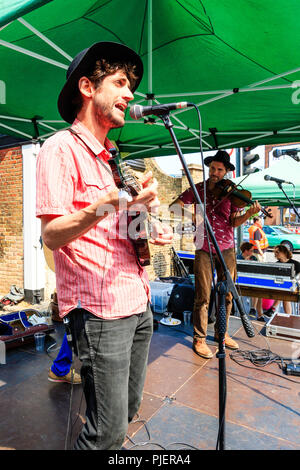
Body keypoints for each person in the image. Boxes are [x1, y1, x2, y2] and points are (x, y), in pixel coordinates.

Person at [36, 41, 173, 450]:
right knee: (105, 433)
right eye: (119, 82)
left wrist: (145, 221)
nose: (130, 93)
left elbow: (119, 226)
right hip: (99, 311)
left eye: (131, 84)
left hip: (137, 299)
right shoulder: (61, 148)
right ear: (87, 87)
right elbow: (51, 234)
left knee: (128, 410)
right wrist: (101, 206)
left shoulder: (112, 157)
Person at [178, 151, 261, 359]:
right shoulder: (198, 189)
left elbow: (233, 221)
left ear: (226, 172)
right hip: (203, 244)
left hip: (226, 246)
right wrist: (192, 218)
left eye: (219, 170)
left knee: (227, 293)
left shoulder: (232, 193)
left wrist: (249, 214)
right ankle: (199, 338)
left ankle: (221, 334)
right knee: (203, 294)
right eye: (212, 168)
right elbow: (177, 204)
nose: (215, 173)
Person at [265, 245, 300, 316]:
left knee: (285, 295)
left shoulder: (295, 263)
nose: (275, 254)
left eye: (277, 252)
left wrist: (296, 280)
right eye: (275, 252)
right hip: (281, 288)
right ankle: (288, 318)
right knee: (284, 295)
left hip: (293, 287)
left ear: (284, 252)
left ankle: (273, 308)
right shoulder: (277, 264)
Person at [237, 242, 265, 322]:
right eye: (251, 250)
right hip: (240, 281)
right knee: (256, 290)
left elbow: (257, 270)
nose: (253, 252)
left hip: (251, 280)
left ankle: (257, 313)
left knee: (259, 291)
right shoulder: (238, 258)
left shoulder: (254, 258)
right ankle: (255, 311)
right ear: (246, 251)